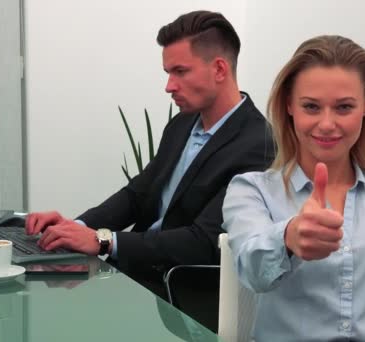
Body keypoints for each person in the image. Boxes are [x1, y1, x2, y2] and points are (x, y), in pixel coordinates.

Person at [25, 10, 274, 300]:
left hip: (178, 293)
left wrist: (104, 242)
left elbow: (203, 241)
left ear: (219, 69)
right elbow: (137, 194)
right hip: (134, 274)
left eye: (180, 71)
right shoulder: (182, 124)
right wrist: (76, 228)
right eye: (168, 73)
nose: (169, 86)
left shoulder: (260, 145)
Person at [222, 35, 365, 341]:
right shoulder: (250, 191)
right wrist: (288, 238)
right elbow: (251, 270)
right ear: (289, 104)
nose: (327, 124)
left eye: (344, 107)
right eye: (312, 107)